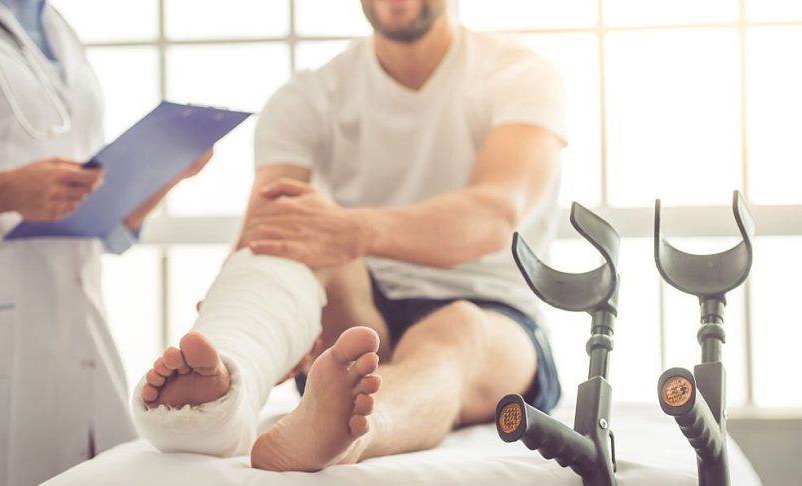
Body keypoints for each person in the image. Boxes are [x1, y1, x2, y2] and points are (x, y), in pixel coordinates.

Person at [132, 0, 565, 472]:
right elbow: (272, 227)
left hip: (492, 316)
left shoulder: (519, 73)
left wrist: (350, 229)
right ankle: (223, 390)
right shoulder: (310, 95)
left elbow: (493, 216)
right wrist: (239, 291)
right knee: (290, 243)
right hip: (358, 317)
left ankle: (350, 432)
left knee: (455, 328)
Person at [0, 1, 212, 484]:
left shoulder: (56, 27)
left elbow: (97, 225)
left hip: (80, 322)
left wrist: (165, 175)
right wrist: (6, 191)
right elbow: (23, 187)